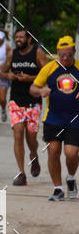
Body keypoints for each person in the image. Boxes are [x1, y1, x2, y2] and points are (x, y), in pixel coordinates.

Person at [30, 35, 79, 201]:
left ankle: (71, 178)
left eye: (69, 55)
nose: (65, 58)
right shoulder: (50, 68)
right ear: (57, 53)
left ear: (74, 51)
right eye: (62, 55)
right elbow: (33, 88)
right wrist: (40, 91)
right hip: (53, 118)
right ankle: (58, 188)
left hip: (75, 119)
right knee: (53, 151)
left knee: (71, 153)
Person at [0, 29, 47, 185]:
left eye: (21, 37)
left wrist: (30, 78)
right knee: (18, 133)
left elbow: (48, 74)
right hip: (16, 101)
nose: (18, 39)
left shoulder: (38, 53)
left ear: (29, 39)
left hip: (33, 101)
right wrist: (10, 76)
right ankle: (21, 173)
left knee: (31, 136)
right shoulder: (12, 54)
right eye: (16, 37)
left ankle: (34, 156)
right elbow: (3, 72)